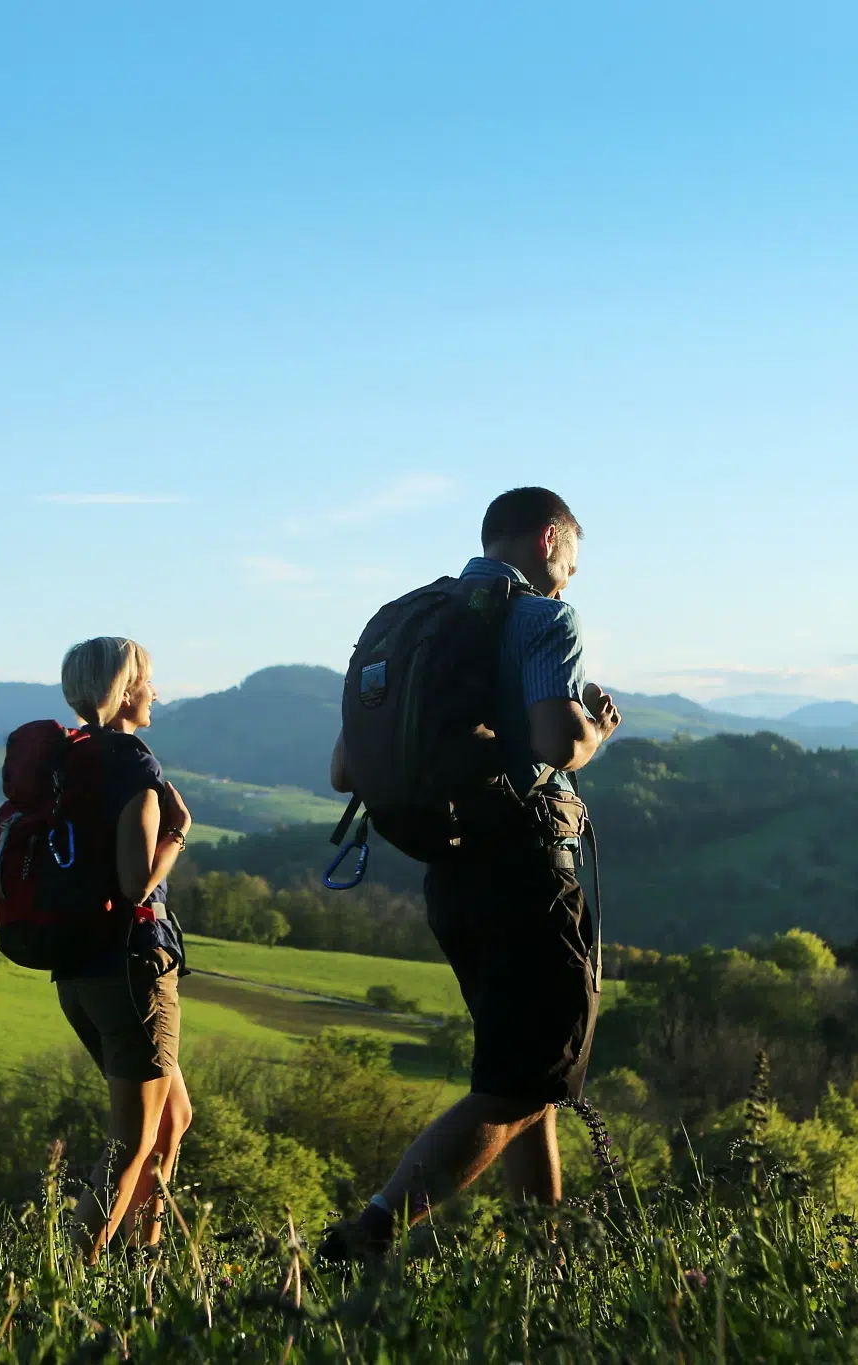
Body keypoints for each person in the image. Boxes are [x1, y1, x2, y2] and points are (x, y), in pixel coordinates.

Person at [322, 487, 622, 1261]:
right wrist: (595, 732)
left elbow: (343, 768)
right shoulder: (543, 619)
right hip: (527, 869)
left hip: (449, 876)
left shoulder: (404, 620)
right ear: (550, 537)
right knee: (526, 1083)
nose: (570, 580)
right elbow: (556, 742)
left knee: (527, 1084)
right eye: (572, 563)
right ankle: (376, 1226)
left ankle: (542, 1263)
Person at [52, 635, 195, 1260]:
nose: (156, 693)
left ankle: (142, 1264)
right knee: (130, 1143)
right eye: (150, 682)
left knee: (172, 1120)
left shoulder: (69, 756)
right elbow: (136, 881)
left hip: (78, 969)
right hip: (131, 969)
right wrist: (179, 837)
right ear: (129, 687)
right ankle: (67, 1280)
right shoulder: (131, 761)